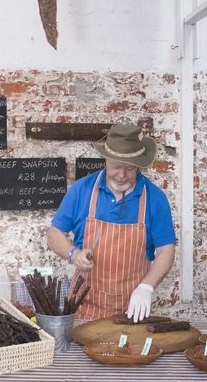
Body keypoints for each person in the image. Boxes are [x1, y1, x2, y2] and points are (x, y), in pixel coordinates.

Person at [47, 123, 176, 322]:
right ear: (105, 160)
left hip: (132, 309)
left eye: (130, 168)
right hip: (84, 307)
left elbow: (166, 251)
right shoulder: (82, 189)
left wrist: (146, 287)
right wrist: (73, 254)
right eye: (116, 166)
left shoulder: (155, 198)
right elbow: (54, 234)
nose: (122, 175)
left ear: (139, 165)